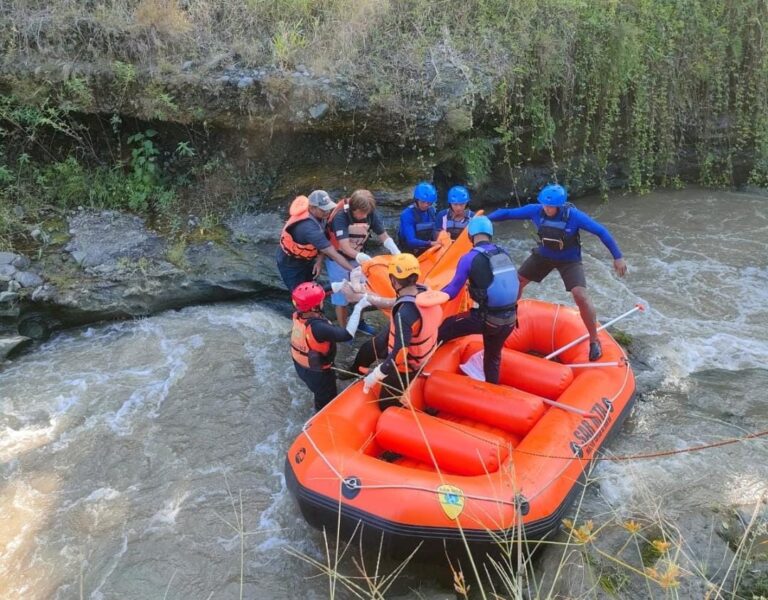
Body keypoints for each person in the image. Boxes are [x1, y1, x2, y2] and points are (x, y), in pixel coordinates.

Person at [488, 183, 627, 361]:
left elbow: (601, 231)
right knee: (517, 282)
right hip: (543, 256)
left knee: (580, 295)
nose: (547, 209)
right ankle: (507, 318)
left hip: (569, 260)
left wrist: (617, 256)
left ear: (559, 205)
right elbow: (507, 214)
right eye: (545, 205)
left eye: (551, 206)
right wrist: (483, 220)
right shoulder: (535, 210)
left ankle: (594, 340)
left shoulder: (574, 216)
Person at [351, 254, 447, 410]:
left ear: (393, 281)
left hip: (408, 364)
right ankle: (355, 370)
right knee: (372, 346)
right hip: (422, 346)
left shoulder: (405, 314)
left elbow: (399, 354)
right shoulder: (425, 292)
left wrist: (377, 374)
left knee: (385, 404)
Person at [438, 216, 518, 384]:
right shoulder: (504, 252)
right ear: (490, 234)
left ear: (470, 236)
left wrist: (431, 295)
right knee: (492, 357)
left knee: (446, 326)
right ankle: (492, 389)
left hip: (487, 320)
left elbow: (452, 291)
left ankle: (422, 368)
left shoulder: (468, 258)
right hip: (510, 320)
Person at [325, 189, 400, 331]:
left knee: (363, 292)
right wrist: (363, 258)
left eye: (367, 213)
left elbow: (383, 236)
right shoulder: (340, 217)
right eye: (361, 213)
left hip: (358, 255)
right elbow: (345, 247)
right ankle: (343, 331)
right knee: (341, 298)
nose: (365, 216)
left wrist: (396, 252)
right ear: (354, 209)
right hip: (337, 259)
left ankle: (360, 323)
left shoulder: (369, 212)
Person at [289, 281, 353, 412]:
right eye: (320, 301)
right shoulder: (318, 328)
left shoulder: (300, 312)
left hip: (301, 366)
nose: (322, 301)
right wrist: (359, 308)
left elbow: (317, 295)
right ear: (314, 307)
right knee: (325, 401)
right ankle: (321, 414)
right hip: (319, 375)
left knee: (318, 392)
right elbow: (347, 335)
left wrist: (340, 285)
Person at [276, 190, 355, 291]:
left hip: (308, 260)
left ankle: (319, 297)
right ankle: (337, 287)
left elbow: (325, 237)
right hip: (291, 264)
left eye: (328, 208)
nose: (327, 212)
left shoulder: (320, 215)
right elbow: (333, 254)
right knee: (301, 293)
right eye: (323, 210)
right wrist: (354, 270)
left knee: (312, 284)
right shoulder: (308, 228)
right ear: (312, 207)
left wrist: (319, 261)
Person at [397, 182, 440, 256]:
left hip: (426, 250)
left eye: (429, 203)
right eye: (423, 202)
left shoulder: (431, 211)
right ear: (416, 200)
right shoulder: (407, 214)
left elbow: (435, 230)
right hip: (409, 253)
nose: (426, 205)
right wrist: (430, 243)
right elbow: (410, 242)